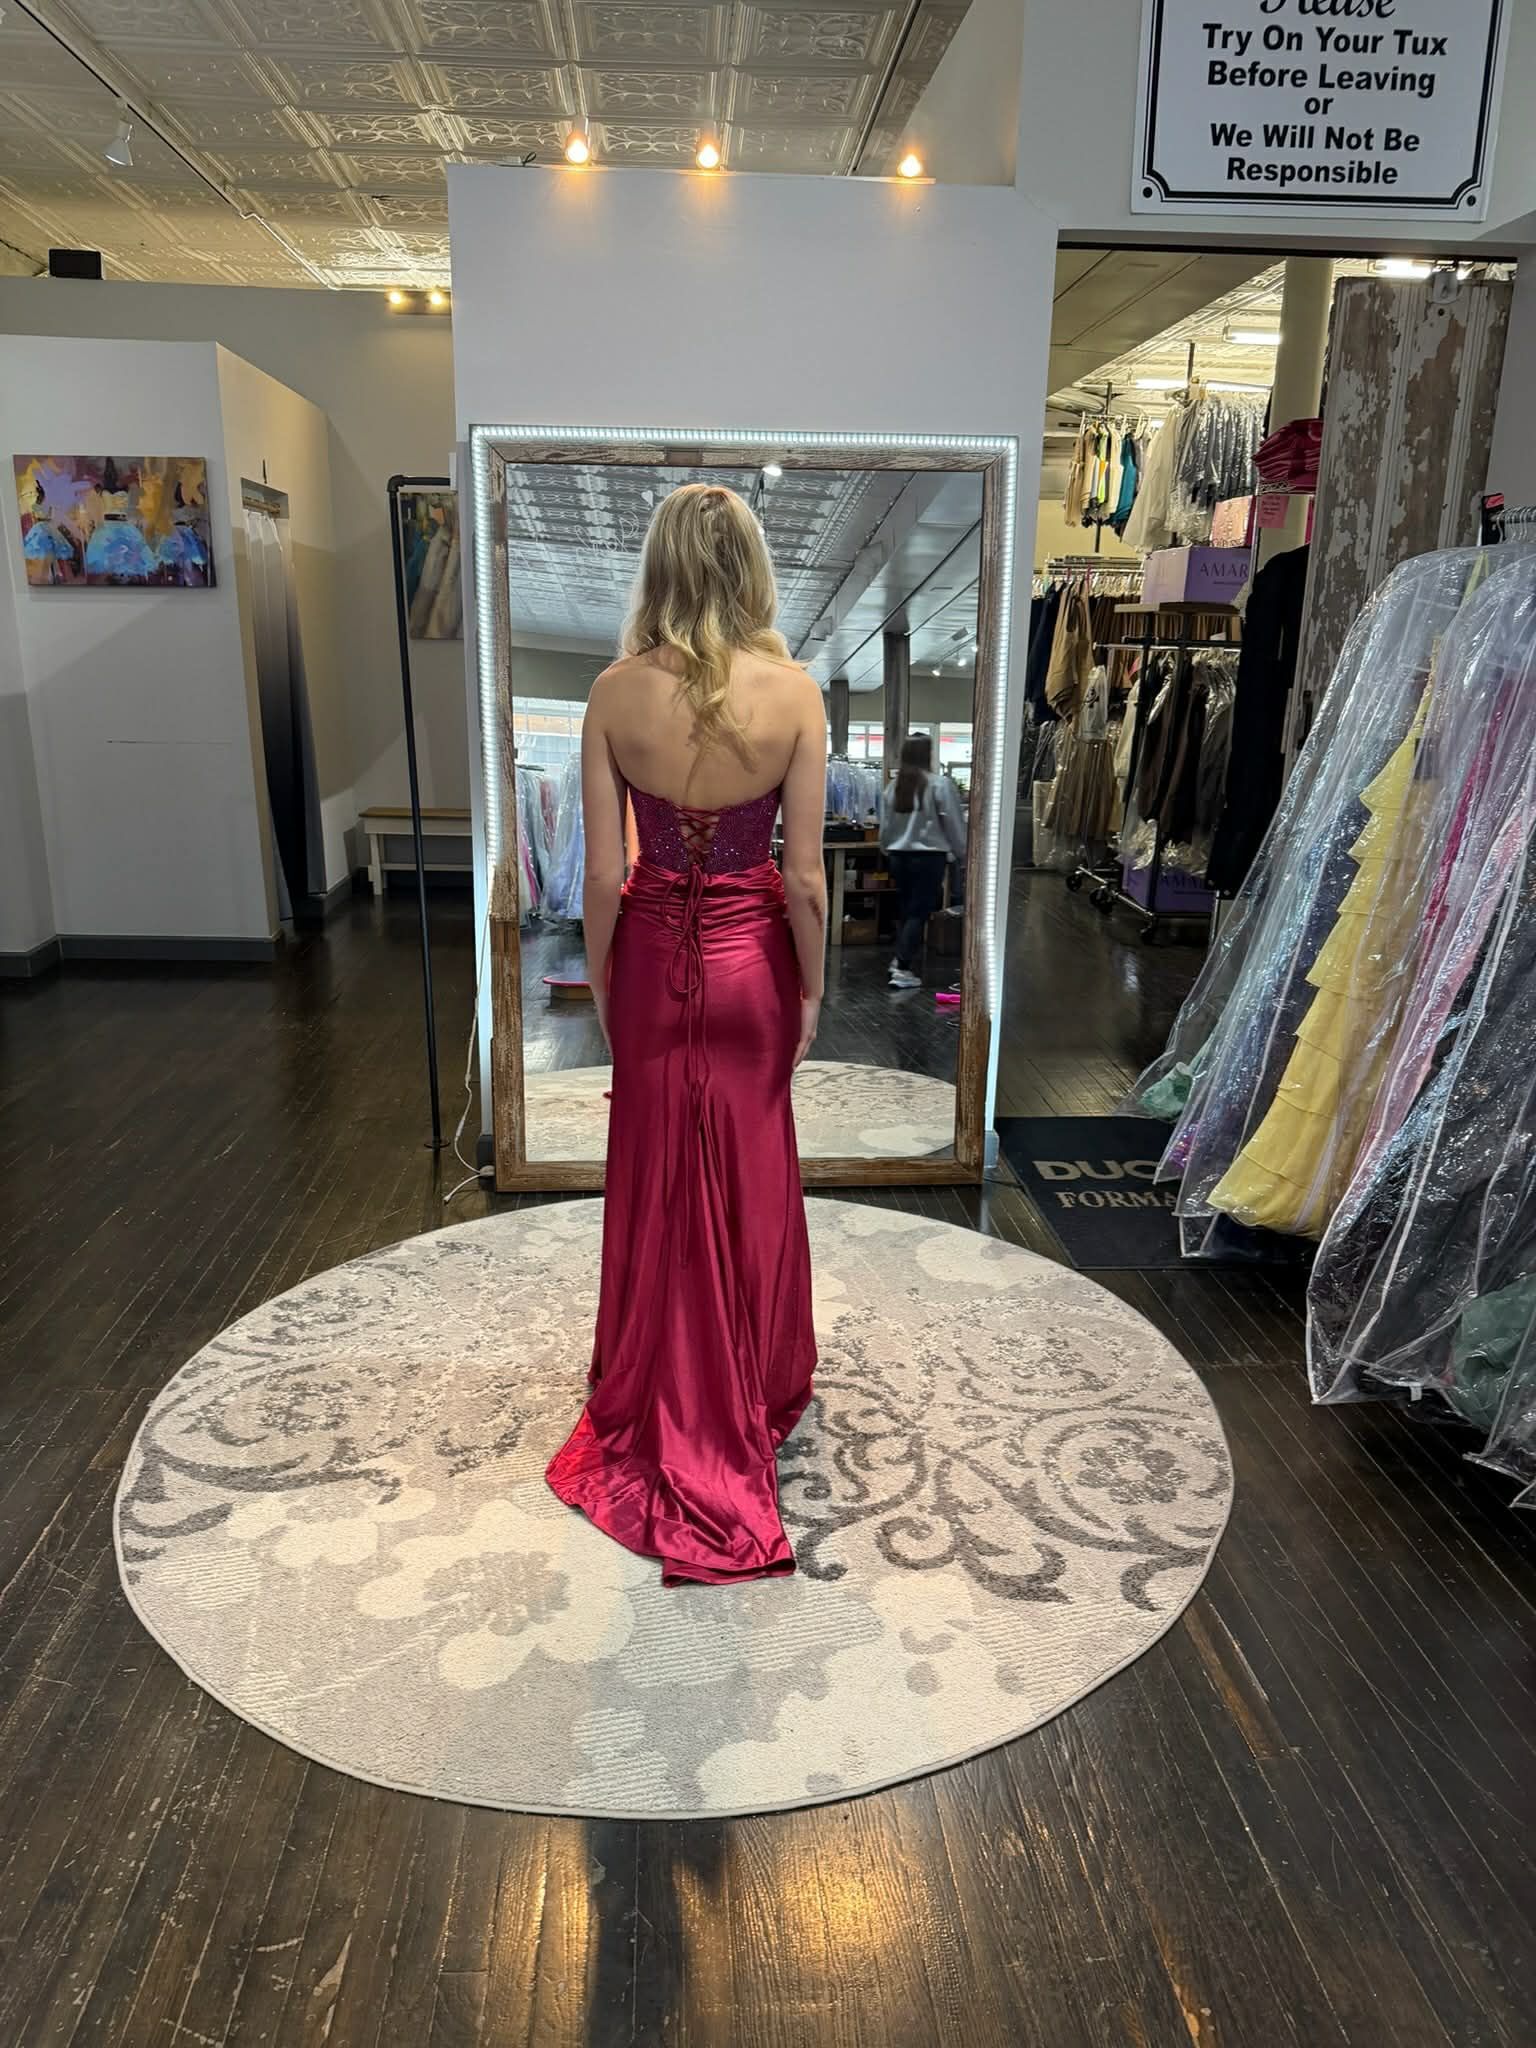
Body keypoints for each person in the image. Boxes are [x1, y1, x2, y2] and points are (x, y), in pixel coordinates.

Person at [544, 483, 827, 1585]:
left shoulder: (614, 694)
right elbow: (802, 874)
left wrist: (610, 983)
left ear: (656, 567)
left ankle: (656, 1385)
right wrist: (810, 989)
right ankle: (751, 1387)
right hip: (754, 959)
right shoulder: (795, 693)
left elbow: (605, 874)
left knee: (658, 1170)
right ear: (752, 568)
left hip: (657, 958)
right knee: (755, 1168)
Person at [879, 734, 968, 988]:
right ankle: (902, 968)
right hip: (928, 858)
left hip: (898, 857)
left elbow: (885, 828)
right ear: (927, 755)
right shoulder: (939, 785)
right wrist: (963, 854)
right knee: (920, 911)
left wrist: (887, 850)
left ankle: (899, 960)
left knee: (907, 910)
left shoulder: (894, 787)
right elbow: (953, 823)